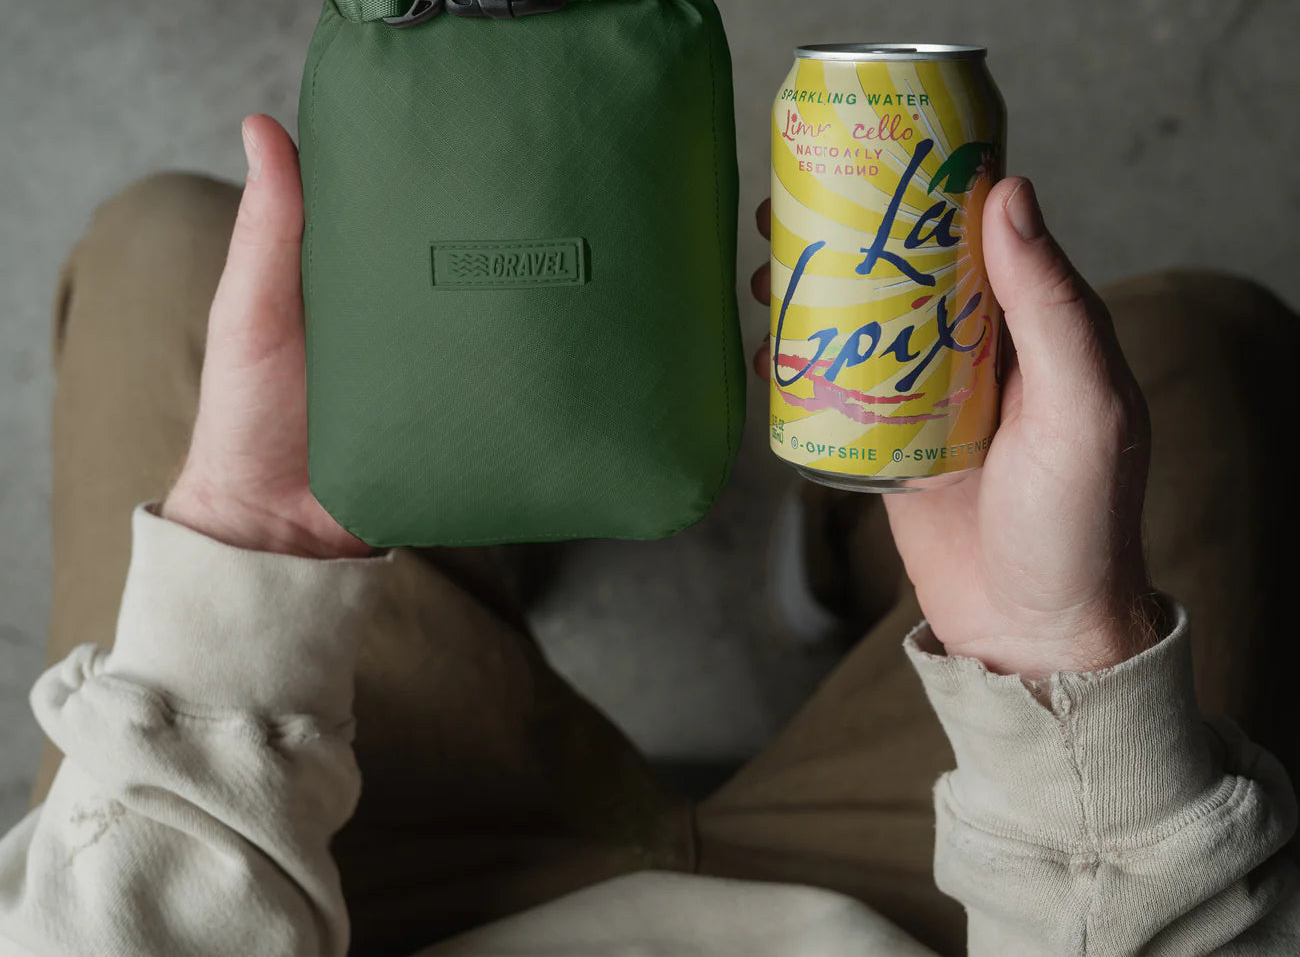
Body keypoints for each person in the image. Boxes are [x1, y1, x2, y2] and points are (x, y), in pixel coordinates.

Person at [1, 112, 1298, 956]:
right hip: (954, 918)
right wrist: (1050, 648)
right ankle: (865, 561)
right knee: (1190, 358)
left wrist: (257, 538)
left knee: (173, 251)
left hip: (354, 905)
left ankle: (487, 514)